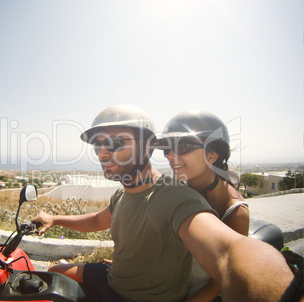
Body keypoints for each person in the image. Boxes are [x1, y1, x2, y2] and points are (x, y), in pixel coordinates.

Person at [32, 104, 294, 302]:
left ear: (146, 148)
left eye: (114, 143)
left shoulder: (176, 195)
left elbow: (230, 253)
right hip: (115, 279)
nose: (102, 152)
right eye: (98, 145)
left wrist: (286, 291)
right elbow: (101, 219)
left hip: (137, 296)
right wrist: (54, 219)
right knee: (53, 272)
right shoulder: (125, 192)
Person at [155, 110, 250, 302]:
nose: (171, 156)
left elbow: (219, 282)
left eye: (183, 147)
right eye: (167, 149)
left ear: (212, 156)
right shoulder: (178, 188)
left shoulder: (235, 212)